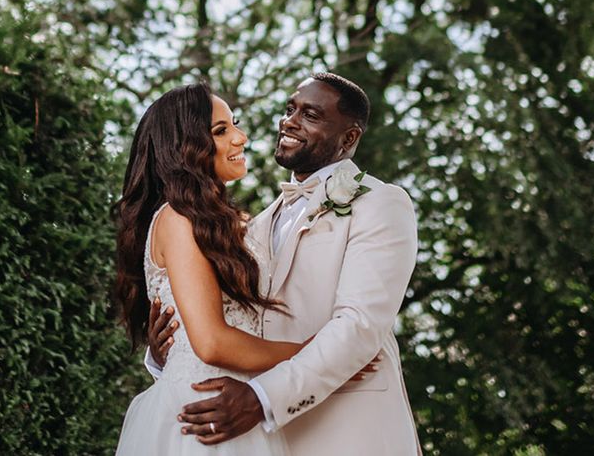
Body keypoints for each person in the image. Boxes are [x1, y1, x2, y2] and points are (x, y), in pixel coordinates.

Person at [148, 73, 421, 455]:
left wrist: (261, 398)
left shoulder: (379, 203)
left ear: (349, 138)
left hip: (348, 429)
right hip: (259, 438)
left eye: (311, 115)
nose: (290, 121)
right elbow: (227, 321)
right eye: (290, 109)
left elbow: (359, 328)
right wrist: (167, 351)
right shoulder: (251, 226)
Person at [113, 82, 306, 455]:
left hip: (250, 405)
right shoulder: (176, 220)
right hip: (204, 415)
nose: (241, 137)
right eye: (221, 131)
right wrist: (312, 354)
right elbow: (211, 342)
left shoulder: (243, 225)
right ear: (184, 149)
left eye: (234, 124)